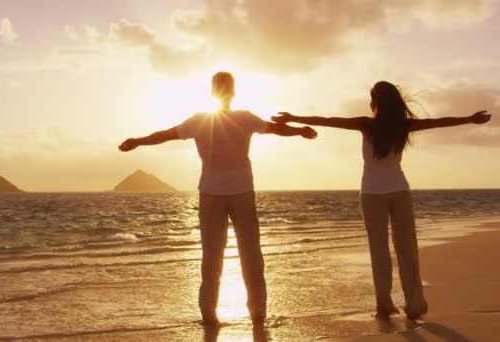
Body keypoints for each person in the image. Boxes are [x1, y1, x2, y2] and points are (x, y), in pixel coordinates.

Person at [272, 80, 492, 320]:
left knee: (379, 251)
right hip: (399, 192)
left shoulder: (366, 125)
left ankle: (384, 305)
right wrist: (470, 119)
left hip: (371, 194)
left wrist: (294, 117)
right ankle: (415, 304)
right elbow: (439, 123)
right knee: (407, 249)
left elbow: (328, 120)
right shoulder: (404, 126)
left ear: (375, 102)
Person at [119, 71, 318, 324]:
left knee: (214, 253)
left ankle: (211, 314)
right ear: (232, 92)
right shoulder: (241, 118)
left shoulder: (204, 121)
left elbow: (165, 135)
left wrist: (137, 141)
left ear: (213, 92)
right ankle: (256, 313)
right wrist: (300, 130)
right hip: (239, 192)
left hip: (215, 194)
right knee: (250, 253)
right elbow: (276, 129)